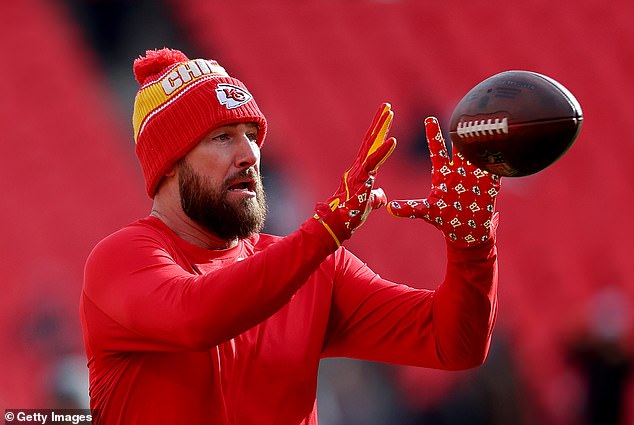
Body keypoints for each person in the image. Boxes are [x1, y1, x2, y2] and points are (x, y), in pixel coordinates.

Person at [80, 47, 501, 425]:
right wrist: (323, 233)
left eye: (251, 135)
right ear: (170, 162)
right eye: (223, 137)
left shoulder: (313, 266)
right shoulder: (120, 259)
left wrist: (472, 250)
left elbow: (453, 343)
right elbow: (196, 318)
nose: (249, 155)